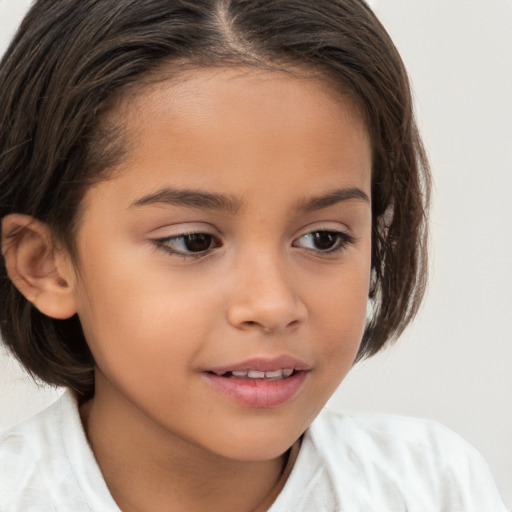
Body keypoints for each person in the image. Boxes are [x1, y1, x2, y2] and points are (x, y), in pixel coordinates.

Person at [0, 1, 506, 511]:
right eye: (193, 241)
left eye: (323, 238)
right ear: (46, 264)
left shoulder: (431, 488)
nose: (271, 305)